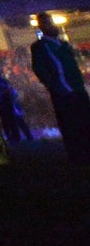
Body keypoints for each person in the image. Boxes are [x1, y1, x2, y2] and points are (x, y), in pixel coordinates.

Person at [30, 13, 90, 163]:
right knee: (70, 124)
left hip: (77, 88)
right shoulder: (40, 46)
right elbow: (39, 68)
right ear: (42, 27)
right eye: (48, 23)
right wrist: (53, 85)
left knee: (85, 120)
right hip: (63, 92)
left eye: (51, 22)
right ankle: (77, 155)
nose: (52, 25)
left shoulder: (62, 44)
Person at [0, 64, 29, 143]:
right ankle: (14, 137)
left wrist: (12, 93)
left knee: (16, 119)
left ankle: (25, 136)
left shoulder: (1, 80)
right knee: (7, 121)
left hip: (9, 102)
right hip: (1, 104)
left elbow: (9, 89)